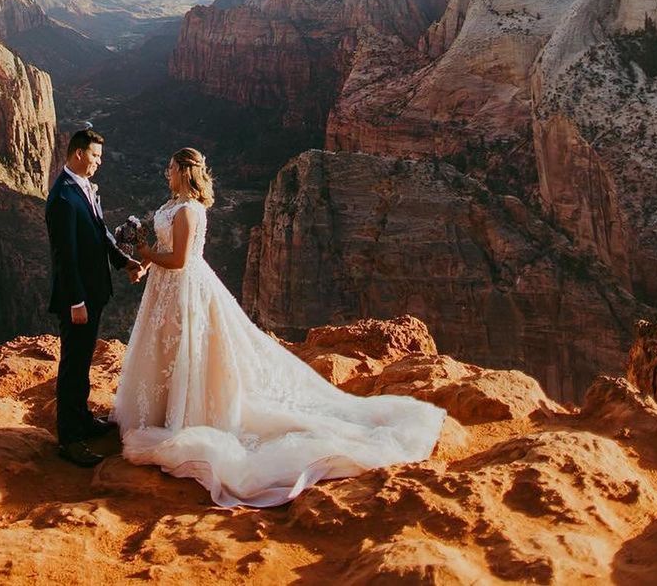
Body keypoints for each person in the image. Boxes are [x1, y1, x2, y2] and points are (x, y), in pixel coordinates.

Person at [113, 147, 447, 507]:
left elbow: (179, 259)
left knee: (187, 350)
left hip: (184, 292)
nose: (167, 172)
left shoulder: (189, 211)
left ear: (183, 171)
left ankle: (186, 415)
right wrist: (143, 263)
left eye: (171, 167)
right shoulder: (171, 205)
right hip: (164, 291)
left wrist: (145, 253)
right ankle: (166, 409)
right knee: (167, 350)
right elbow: (166, 252)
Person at [45, 124, 144, 467]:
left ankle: (83, 419)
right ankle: (70, 439)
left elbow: (99, 234)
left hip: (94, 292)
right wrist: (76, 302)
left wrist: (124, 261)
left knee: (84, 359)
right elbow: (65, 256)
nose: (100, 161)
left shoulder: (83, 188)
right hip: (79, 298)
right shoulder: (61, 198)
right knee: (73, 364)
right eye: (96, 156)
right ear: (78, 154)